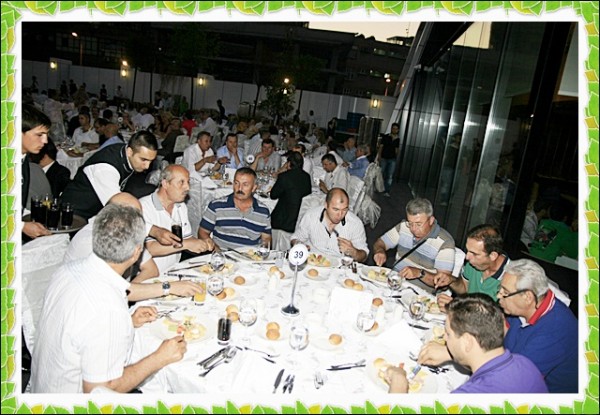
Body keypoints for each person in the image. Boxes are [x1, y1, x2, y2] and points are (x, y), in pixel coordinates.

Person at [30, 204, 187, 393]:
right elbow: (99, 390)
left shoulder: (68, 271)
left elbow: (80, 329)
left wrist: (128, 322)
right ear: (137, 252)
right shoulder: (108, 309)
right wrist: (159, 358)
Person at [418, 260, 577, 393]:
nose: (498, 295)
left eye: (505, 292)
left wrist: (452, 353)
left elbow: (511, 376)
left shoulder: (555, 330)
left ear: (527, 297)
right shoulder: (521, 308)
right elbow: (497, 332)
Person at [386, 294, 548, 393]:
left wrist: (400, 383)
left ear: (467, 342)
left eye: (448, 334)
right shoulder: (525, 363)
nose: (444, 338)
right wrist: (450, 354)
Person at [63, 192, 203, 301]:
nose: (137, 222)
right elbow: (106, 293)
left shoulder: (128, 233)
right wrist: (165, 288)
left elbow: (151, 270)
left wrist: (130, 292)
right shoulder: (92, 241)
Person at [61, 130, 158, 220]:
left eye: (151, 161)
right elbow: (119, 209)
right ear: (129, 152)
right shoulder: (105, 168)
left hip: (96, 212)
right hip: (74, 214)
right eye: (143, 159)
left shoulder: (126, 152)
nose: (147, 166)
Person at [141, 165, 214, 274]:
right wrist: (186, 244)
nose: (187, 188)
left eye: (188, 182)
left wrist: (203, 243)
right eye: (181, 182)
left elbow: (187, 238)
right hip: (150, 276)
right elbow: (149, 249)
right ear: (165, 184)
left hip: (174, 271)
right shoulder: (144, 207)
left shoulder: (180, 206)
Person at [372, 197, 455, 293]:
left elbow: (443, 282)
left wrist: (420, 273)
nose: (413, 229)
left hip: (419, 292)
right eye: (410, 223)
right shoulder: (404, 226)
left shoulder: (445, 242)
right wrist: (380, 251)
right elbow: (380, 242)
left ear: (431, 220)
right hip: (394, 282)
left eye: (418, 224)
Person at [435, 224, 509, 307]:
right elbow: (465, 290)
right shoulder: (473, 264)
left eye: (474, 253)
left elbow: (496, 314)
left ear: (493, 256)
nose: (467, 257)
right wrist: (451, 280)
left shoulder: (510, 278)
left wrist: (456, 308)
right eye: (468, 251)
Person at [199, 167, 271, 250]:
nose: (239, 188)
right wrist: (216, 250)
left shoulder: (263, 211)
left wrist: (262, 251)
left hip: (250, 256)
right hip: (223, 254)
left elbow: (266, 239)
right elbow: (202, 232)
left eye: (245, 185)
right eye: (237, 183)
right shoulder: (217, 206)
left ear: (254, 188)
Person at [291, 188, 368, 262]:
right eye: (335, 209)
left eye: (344, 209)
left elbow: (364, 256)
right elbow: (296, 238)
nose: (340, 215)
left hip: (339, 266)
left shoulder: (355, 223)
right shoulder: (311, 216)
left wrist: (354, 252)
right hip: (313, 262)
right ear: (326, 205)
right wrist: (299, 244)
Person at [269, 151, 312, 250]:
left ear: (288, 164)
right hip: (300, 218)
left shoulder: (284, 176)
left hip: (284, 220)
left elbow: (273, 195)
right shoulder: (306, 177)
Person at [21, 104, 51, 239]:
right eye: (39, 135)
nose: (45, 141)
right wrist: (21, 226)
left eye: (46, 135)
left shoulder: (23, 160)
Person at [377, 122, 400, 197]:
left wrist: (396, 156)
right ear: (391, 129)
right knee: (381, 173)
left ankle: (387, 191)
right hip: (384, 157)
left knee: (390, 176)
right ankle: (379, 188)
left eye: (396, 129)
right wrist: (379, 156)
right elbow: (381, 147)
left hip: (392, 159)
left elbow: (396, 149)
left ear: (398, 130)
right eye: (393, 128)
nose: (394, 130)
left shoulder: (397, 139)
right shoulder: (386, 137)